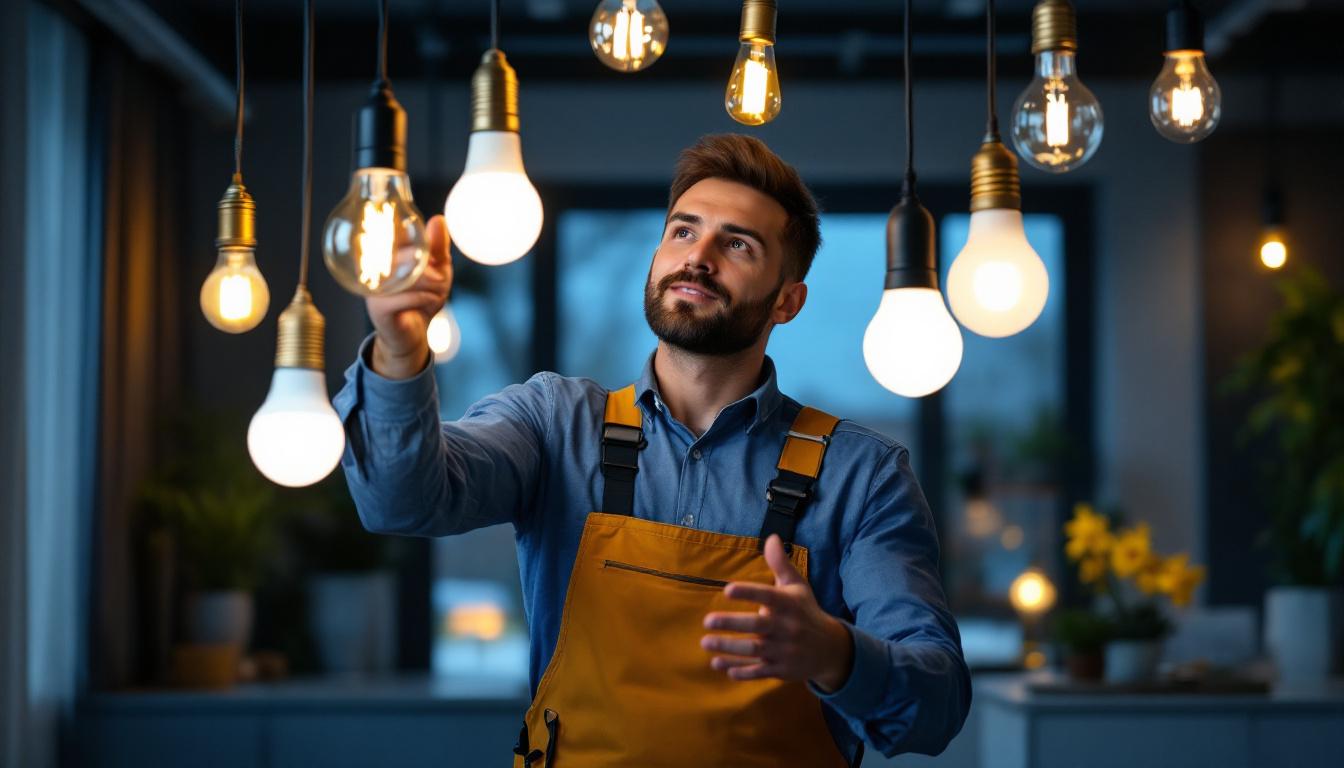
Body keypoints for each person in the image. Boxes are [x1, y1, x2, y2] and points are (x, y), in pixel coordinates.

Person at [333, 134, 971, 766]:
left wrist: (836, 654)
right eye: (683, 232)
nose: (699, 258)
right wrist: (396, 349)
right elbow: (401, 504)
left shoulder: (863, 477)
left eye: (738, 244)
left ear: (787, 300)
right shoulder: (553, 423)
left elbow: (938, 705)